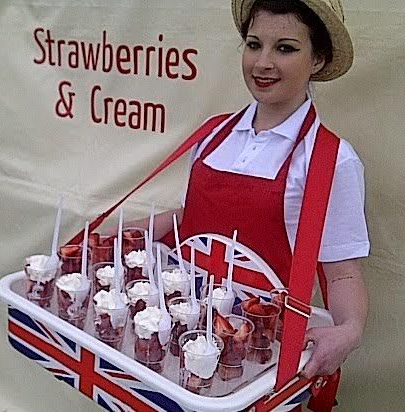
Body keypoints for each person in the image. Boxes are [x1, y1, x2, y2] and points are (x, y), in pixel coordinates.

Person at [125, 0, 369, 406]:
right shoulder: (212, 134)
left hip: (254, 357)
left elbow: (342, 273)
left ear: (317, 59)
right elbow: (199, 222)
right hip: (175, 333)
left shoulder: (331, 160)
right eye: (254, 44)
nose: (263, 63)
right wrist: (130, 232)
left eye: (285, 48)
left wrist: (350, 330)